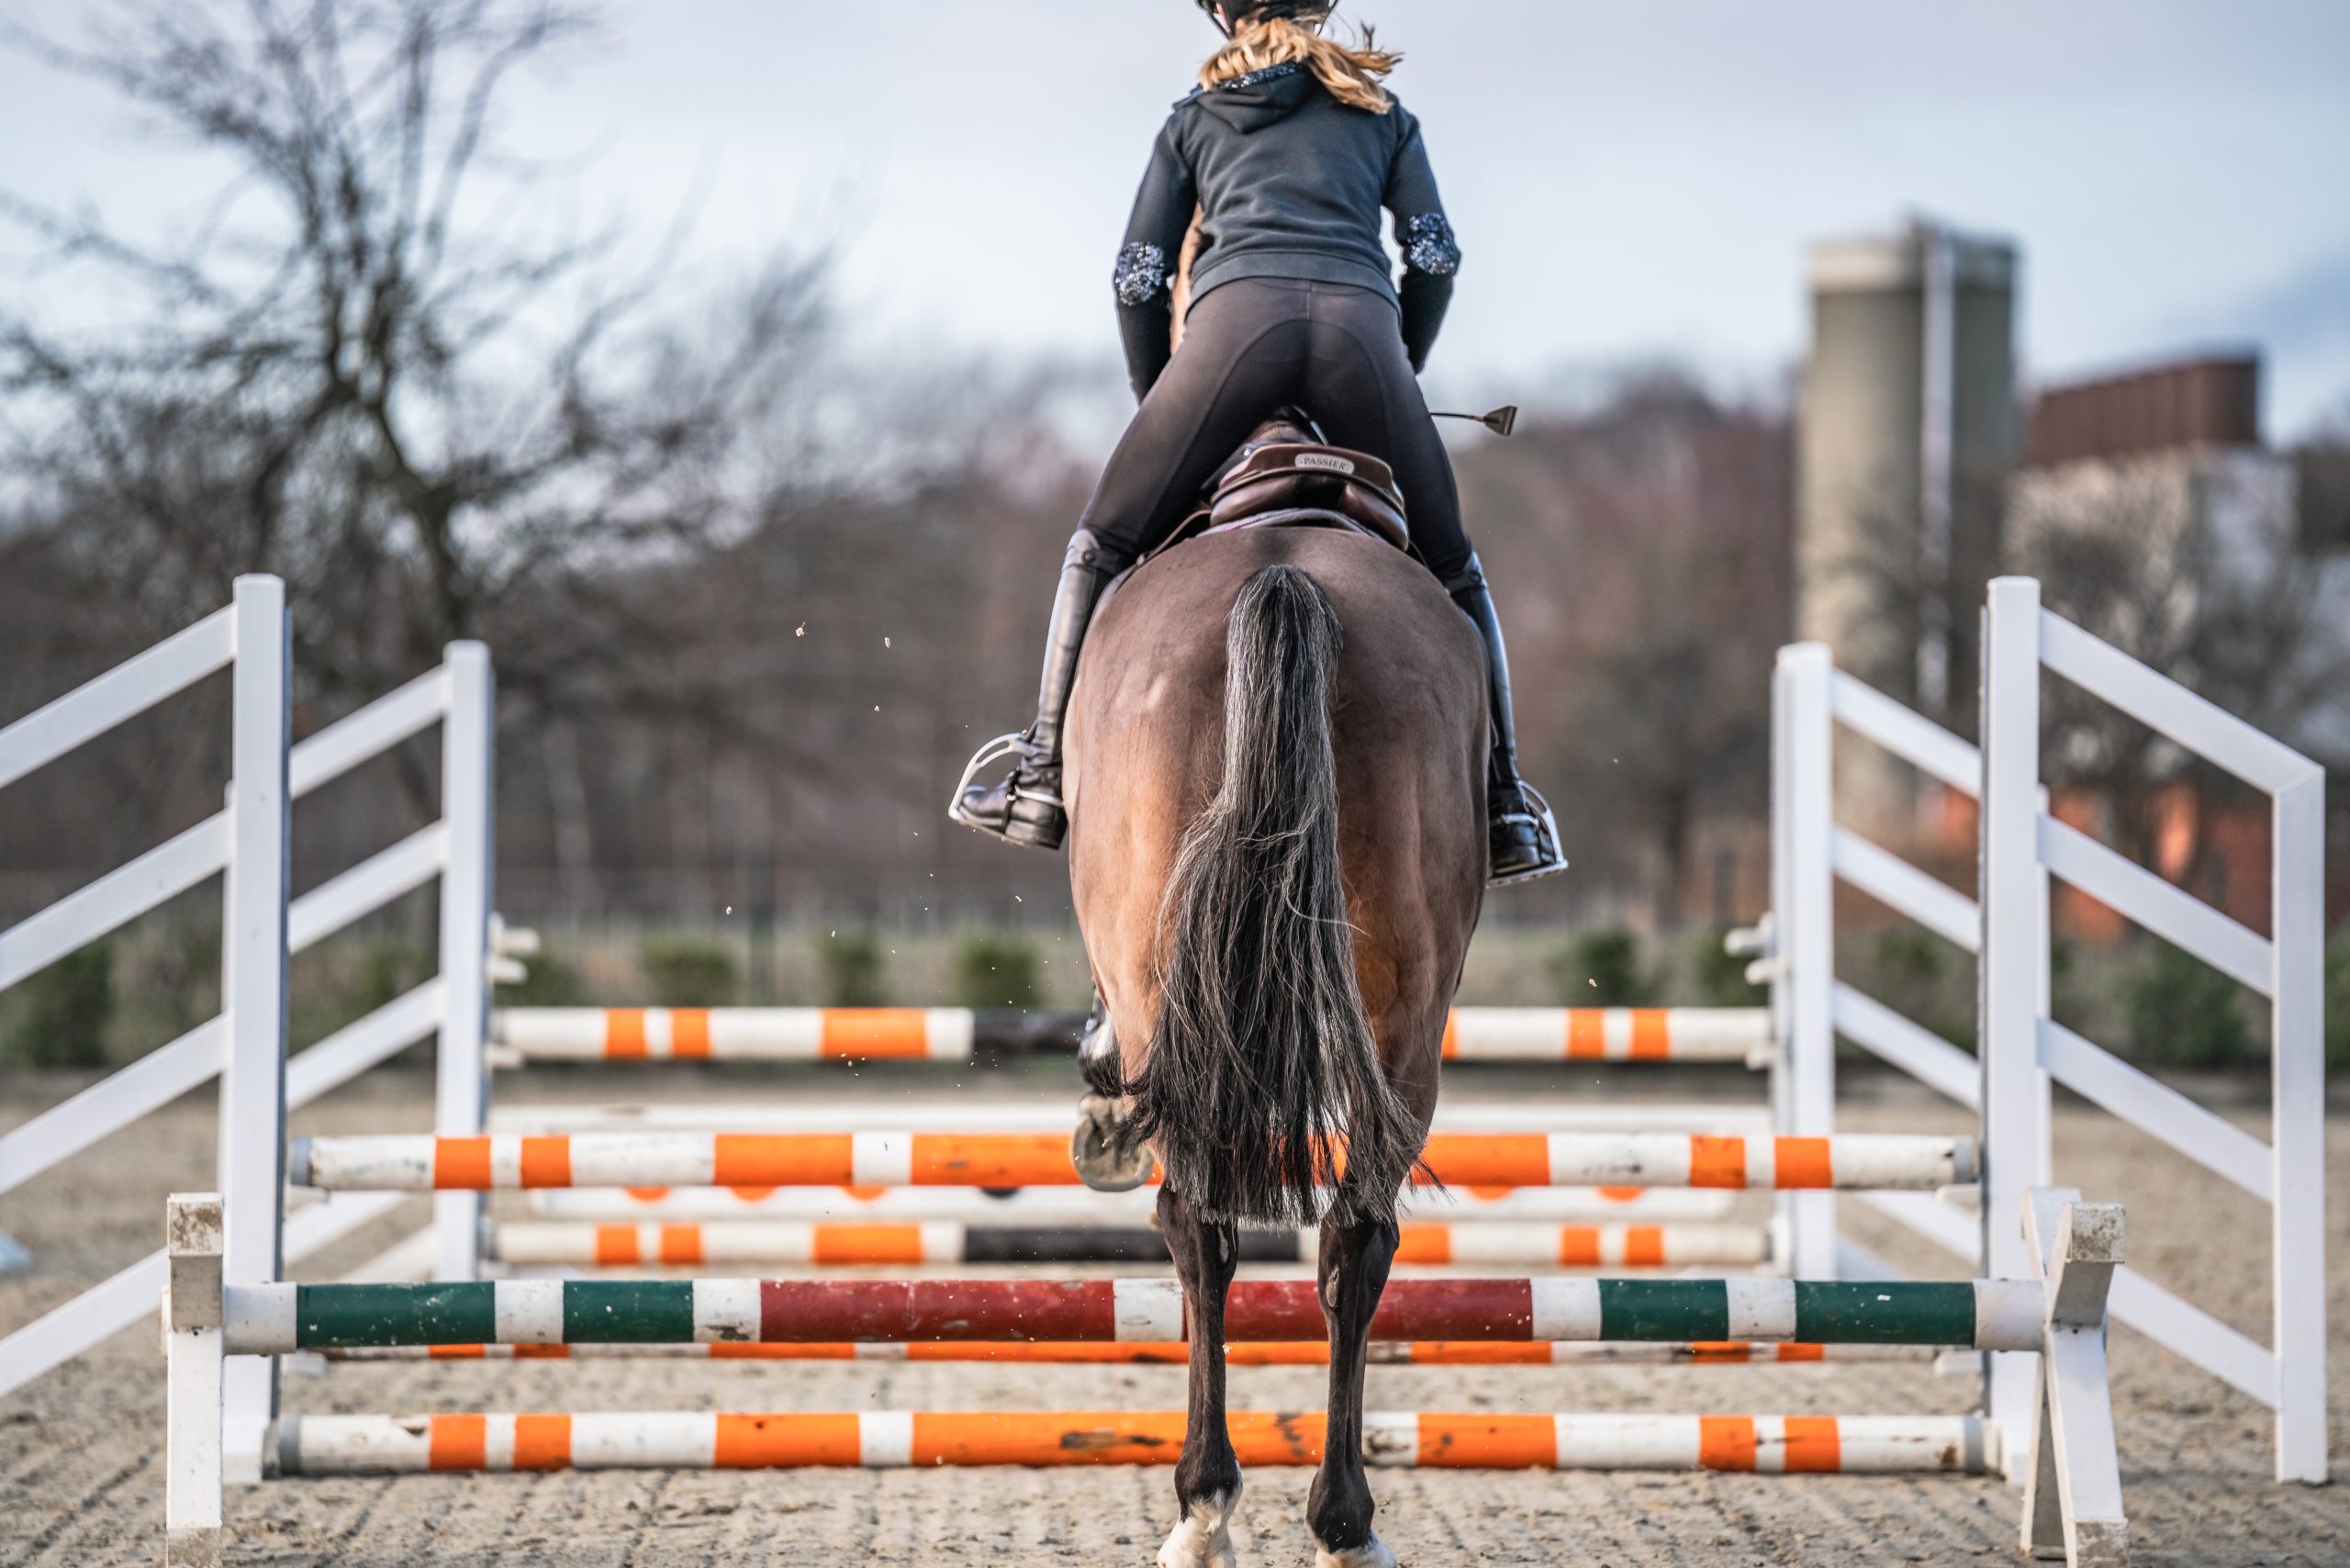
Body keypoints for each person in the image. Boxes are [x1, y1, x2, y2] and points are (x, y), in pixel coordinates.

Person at [951, 0, 1566, 885]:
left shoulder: (1195, 119)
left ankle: (1042, 775)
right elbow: (1432, 255)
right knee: (1455, 564)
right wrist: (1397, 368)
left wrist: (1161, 394)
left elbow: (1137, 275)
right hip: (1362, 340)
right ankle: (1506, 801)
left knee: (1103, 541)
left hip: (1232, 334)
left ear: (1222, 16)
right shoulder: (1383, 116)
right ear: (1322, 9)